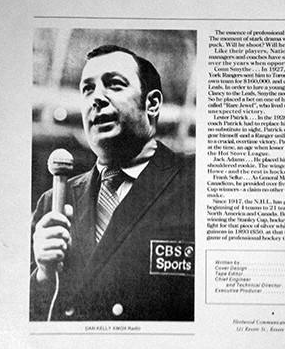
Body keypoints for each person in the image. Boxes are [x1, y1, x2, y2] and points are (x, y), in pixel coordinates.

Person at [30, 45, 195, 321]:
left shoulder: (194, 183)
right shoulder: (53, 202)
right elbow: (25, 319)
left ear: (152, 104)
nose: (97, 98)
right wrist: (44, 274)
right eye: (87, 89)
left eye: (114, 85)